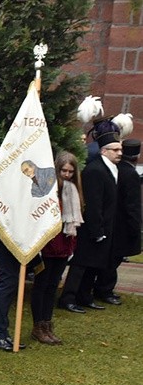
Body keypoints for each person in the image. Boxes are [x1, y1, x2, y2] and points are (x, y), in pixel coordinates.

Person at [58, 128, 123, 313]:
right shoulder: (96, 170)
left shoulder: (110, 169)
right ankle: (68, 298)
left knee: (94, 265)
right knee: (81, 265)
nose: (119, 153)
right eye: (115, 150)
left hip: (104, 227)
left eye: (120, 149)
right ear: (104, 151)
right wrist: (97, 230)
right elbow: (94, 204)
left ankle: (84, 296)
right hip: (92, 229)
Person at [30, 152, 84, 344]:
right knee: (42, 284)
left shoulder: (73, 190)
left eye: (70, 171)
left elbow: (74, 219)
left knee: (53, 285)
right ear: (57, 169)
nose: (67, 175)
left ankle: (47, 323)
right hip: (47, 244)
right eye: (63, 170)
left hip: (64, 242)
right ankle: (38, 325)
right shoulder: (47, 189)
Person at [93, 138, 141, 304]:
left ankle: (102, 287)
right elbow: (132, 204)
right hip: (122, 224)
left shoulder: (115, 169)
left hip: (111, 221)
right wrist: (136, 226)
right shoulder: (130, 174)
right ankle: (104, 289)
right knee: (113, 260)